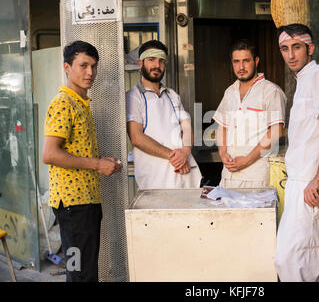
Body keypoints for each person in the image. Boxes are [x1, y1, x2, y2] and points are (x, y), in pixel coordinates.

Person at [42, 41, 123, 282]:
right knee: (80, 274)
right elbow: (50, 154)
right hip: (73, 206)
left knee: (84, 272)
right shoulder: (63, 103)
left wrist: (100, 160)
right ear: (67, 67)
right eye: (83, 65)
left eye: (94, 66)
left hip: (84, 203)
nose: (90, 73)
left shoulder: (80, 102)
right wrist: (98, 165)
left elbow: (75, 151)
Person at [274, 24, 319, 282]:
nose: (290, 55)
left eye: (297, 47)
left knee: (296, 261)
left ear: (310, 48)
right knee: (304, 262)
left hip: (310, 186)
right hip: (300, 184)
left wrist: (318, 178)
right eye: (285, 49)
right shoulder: (303, 80)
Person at [126, 40, 202, 189]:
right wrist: (175, 157)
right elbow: (136, 137)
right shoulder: (133, 97)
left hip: (185, 177)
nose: (157, 65)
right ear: (140, 63)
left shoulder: (172, 95)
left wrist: (185, 152)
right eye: (151, 60)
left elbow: (186, 127)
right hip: (156, 180)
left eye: (161, 61)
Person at [213, 39, 287, 188]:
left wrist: (246, 160)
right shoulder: (230, 92)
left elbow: (275, 132)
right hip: (228, 175)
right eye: (236, 62)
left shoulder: (271, 91)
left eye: (246, 61)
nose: (241, 67)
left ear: (256, 61)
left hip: (256, 176)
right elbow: (222, 127)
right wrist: (223, 153)